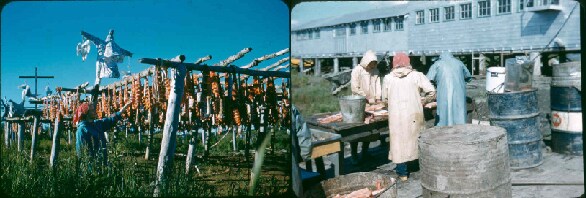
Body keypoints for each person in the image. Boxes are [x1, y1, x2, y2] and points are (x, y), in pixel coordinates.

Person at [382, 52, 436, 181]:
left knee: (398, 142)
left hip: (396, 115)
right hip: (414, 113)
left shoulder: (388, 78)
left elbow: (384, 99)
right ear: (408, 62)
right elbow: (432, 91)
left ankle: (403, 173)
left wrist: (389, 104)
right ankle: (419, 166)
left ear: (394, 64)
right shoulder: (417, 75)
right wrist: (423, 100)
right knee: (415, 139)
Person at [75, 99, 131, 165]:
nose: (95, 111)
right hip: (91, 165)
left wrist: (125, 107)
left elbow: (110, 120)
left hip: (102, 161)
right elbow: (81, 151)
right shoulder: (82, 129)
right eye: (92, 110)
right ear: (86, 113)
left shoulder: (96, 124)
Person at [350, 50, 382, 162]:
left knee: (369, 128)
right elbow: (355, 88)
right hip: (358, 102)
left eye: (374, 63)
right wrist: (366, 96)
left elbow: (378, 84)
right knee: (356, 129)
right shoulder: (357, 71)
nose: (372, 65)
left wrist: (378, 97)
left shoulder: (375, 70)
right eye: (371, 63)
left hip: (372, 103)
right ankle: (354, 154)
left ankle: (364, 152)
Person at [426, 52, 472, 126]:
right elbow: (468, 77)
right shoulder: (460, 63)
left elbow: (427, 80)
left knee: (443, 113)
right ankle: (461, 131)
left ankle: (443, 131)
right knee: (460, 112)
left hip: (443, 93)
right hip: (459, 94)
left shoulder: (437, 64)